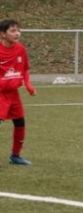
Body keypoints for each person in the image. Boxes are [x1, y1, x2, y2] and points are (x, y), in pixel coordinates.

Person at [0, 19, 36, 166]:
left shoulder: (20, 49)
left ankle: (16, 156)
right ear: (3, 34)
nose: (17, 33)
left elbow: (25, 69)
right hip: (1, 94)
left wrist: (28, 85)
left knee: (20, 123)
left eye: (18, 30)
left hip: (14, 94)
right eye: (13, 31)